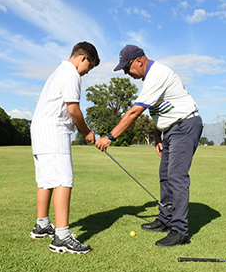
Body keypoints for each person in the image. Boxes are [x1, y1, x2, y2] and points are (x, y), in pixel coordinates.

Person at [95, 45, 203, 247]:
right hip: (171, 129)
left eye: (127, 68)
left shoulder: (157, 74)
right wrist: (157, 137)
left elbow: (134, 113)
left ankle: (180, 231)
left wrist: (110, 137)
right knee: (165, 175)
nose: (127, 73)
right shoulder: (150, 80)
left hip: (185, 125)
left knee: (177, 178)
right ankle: (166, 219)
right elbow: (157, 113)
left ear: (138, 60)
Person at [30, 41, 100, 254]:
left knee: (46, 180)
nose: (88, 71)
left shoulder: (57, 72)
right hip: (54, 131)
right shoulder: (71, 74)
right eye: (90, 66)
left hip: (40, 130)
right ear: (84, 58)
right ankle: (61, 237)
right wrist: (88, 132)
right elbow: (73, 110)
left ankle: (42, 225)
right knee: (63, 180)